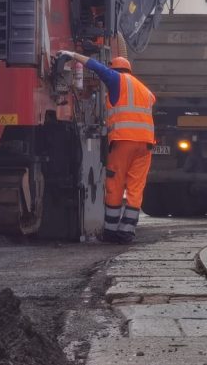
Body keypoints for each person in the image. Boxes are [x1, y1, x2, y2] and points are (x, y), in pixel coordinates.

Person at [58, 50, 155, 243]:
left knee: (114, 184)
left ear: (115, 70)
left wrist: (73, 54)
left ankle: (110, 230)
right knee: (136, 187)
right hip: (146, 144)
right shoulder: (145, 90)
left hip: (124, 141)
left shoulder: (117, 79)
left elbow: (96, 67)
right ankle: (127, 231)